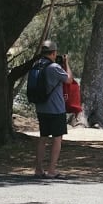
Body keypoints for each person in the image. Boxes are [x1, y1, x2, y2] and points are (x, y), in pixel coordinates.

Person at [32, 40, 73, 179]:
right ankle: (51, 170)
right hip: (56, 109)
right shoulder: (54, 67)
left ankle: (38, 169)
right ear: (54, 53)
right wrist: (66, 63)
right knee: (57, 139)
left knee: (43, 138)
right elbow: (69, 80)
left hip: (41, 107)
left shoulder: (36, 65)